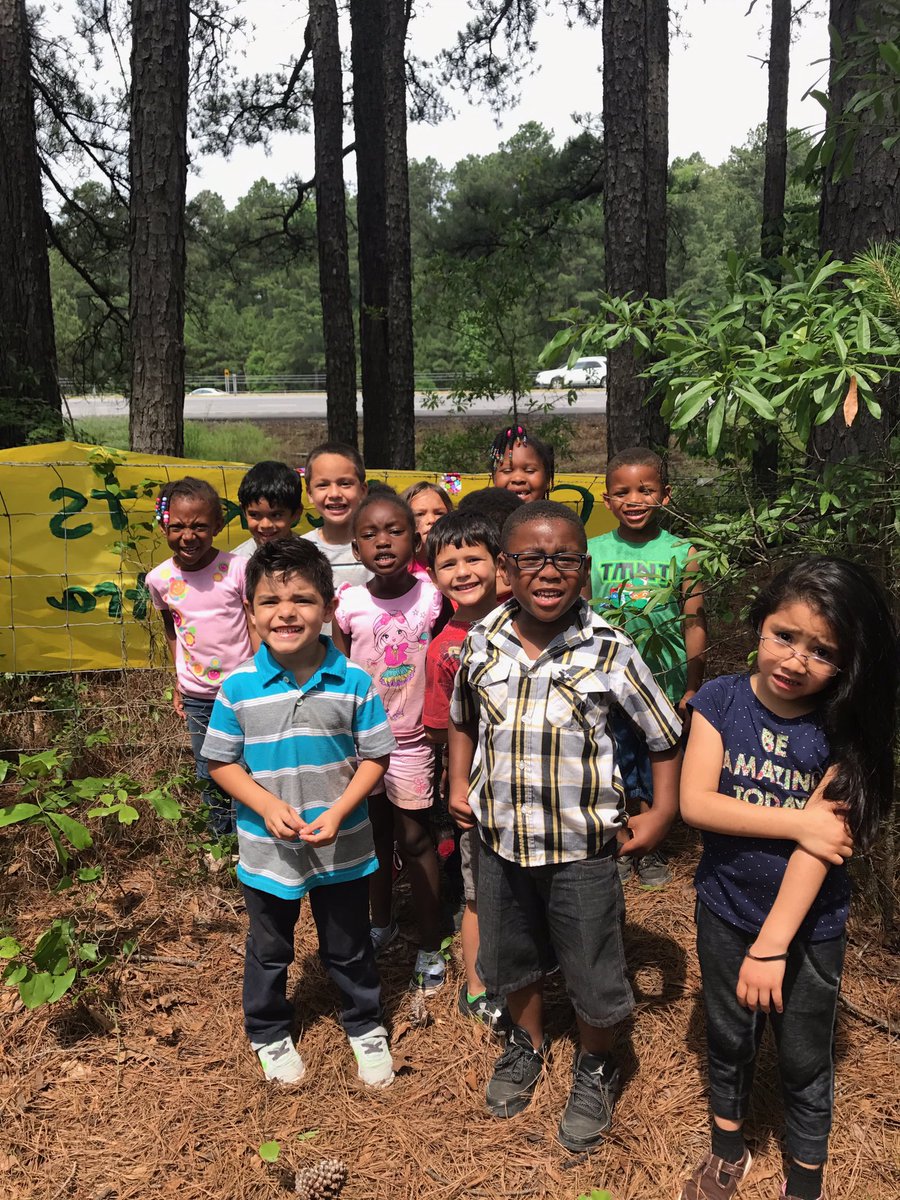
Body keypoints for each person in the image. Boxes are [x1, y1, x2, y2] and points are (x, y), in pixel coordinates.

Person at [449, 499, 682, 1152]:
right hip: (498, 841)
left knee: (591, 967)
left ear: (583, 570)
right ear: (505, 568)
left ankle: (597, 1062)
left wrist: (661, 811)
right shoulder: (482, 640)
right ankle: (524, 1045)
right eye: (530, 558)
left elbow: (664, 734)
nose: (546, 571)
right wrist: (456, 778)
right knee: (510, 956)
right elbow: (462, 716)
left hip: (582, 849)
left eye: (563, 560)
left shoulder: (609, 648)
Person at [678, 557, 898, 1200]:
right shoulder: (720, 698)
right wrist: (796, 821)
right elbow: (697, 803)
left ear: (851, 662)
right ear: (759, 623)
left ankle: (804, 1178)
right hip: (722, 905)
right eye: (784, 635)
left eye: (822, 651)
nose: (796, 659)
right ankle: (727, 1152)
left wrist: (772, 947)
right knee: (727, 1037)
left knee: (804, 1059)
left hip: (809, 925)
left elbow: (822, 849)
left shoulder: (844, 728)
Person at [201, 539, 397, 1089]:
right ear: (250, 612)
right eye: (270, 602)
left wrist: (339, 810)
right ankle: (267, 1029)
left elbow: (376, 756)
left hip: (344, 844)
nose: (286, 612)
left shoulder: (354, 681)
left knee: (349, 943)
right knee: (269, 948)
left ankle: (364, 1023)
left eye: (303, 599)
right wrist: (264, 805)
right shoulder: (238, 688)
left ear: (330, 607)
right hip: (269, 852)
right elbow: (221, 762)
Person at [332, 493, 449, 992]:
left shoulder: (433, 597)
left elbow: (446, 659)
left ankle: (431, 940)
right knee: (373, 838)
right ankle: (382, 922)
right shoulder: (348, 603)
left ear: (415, 539)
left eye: (396, 530)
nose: (383, 541)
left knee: (416, 838)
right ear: (356, 549)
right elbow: (338, 674)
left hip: (413, 741)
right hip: (361, 743)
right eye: (370, 534)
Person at [588, 447, 707, 889]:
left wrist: (694, 684)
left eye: (645, 490)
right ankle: (621, 843)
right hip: (608, 680)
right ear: (607, 500)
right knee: (613, 762)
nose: (634, 499)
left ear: (666, 495)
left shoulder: (685, 552)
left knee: (659, 760)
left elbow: (695, 621)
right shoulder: (591, 550)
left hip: (664, 681)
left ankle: (650, 845)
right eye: (622, 492)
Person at [424, 510, 505, 1030]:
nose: (462, 570)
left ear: (501, 564)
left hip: (534, 784)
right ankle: (477, 986)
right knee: (478, 890)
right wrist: (457, 782)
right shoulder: (442, 648)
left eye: (473, 557)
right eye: (448, 562)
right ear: (432, 575)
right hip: (476, 789)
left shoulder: (527, 621)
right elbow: (437, 727)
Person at [146, 477, 253, 836]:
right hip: (198, 696)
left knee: (248, 764)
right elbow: (171, 629)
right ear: (165, 526)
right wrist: (179, 681)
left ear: (218, 526)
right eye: (177, 526)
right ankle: (219, 839)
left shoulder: (238, 569)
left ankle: (250, 835)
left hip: (244, 690)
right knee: (209, 766)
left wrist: (261, 673)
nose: (188, 536)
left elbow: (253, 623)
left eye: (199, 526)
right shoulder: (159, 579)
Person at [301, 441, 371, 589]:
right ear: (310, 494)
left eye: (345, 483)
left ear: (363, 490)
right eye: (322, 485)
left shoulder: (379, 546)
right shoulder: (300, 550)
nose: (334, 494)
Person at [233, 460, 304, 557]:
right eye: (254, 515)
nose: (265, 525)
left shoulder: (312, 558)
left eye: (276, 515)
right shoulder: (235, 564)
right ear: (243, 512)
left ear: (296, 513)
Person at [401, 480, 453, 581]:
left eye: (439, 513)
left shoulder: (461, 564)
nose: (431, 520)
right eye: (420, 514)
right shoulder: (399, 571)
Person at [489, 423, 554, 503]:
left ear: (547, 478)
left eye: (530, 471)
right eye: (507, 471)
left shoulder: (557, 515)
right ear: (494, 478)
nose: (518, 479)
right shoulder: (481, 515)